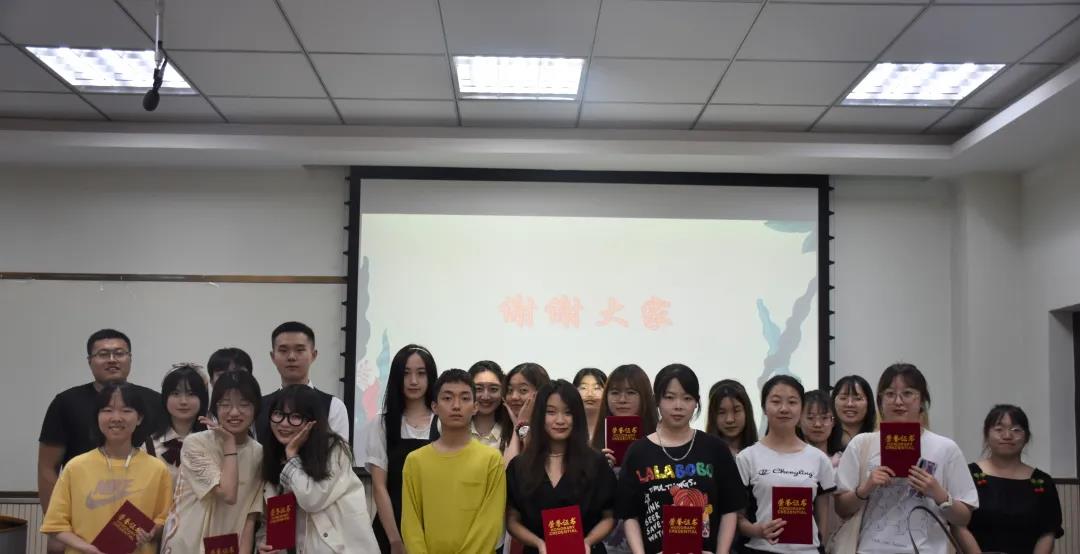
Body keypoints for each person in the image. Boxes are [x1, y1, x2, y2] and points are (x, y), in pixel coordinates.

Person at [38, 329, 164, 553]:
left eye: (119, 353)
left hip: (139, 535)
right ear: (90, 361)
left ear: (130, 358)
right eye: (103, 354)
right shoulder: (66, 402)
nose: (112, 359)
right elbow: (48, 466)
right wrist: (56, 529)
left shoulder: (154, 401)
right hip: (81, 530)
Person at [834, 363, 978, 554]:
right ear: (880, 401)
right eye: (890, 394)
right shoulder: (861, 444)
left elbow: (964, 518)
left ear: (922, 401)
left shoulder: (946, 448)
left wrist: (938, 494)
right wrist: (867, 487)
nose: (898, 401)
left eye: (908, 393)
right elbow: (841, 508)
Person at [617, 364, 746, 554]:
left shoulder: (715, 448)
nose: (678, 406)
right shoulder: (638, 452)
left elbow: (729, 509)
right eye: (670, 397)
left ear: (696, 402)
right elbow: (630, 515)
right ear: (657, 400)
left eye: (687, 398)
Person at [257, 385, 379, 553]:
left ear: (312, 422)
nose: (284, 423)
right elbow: (270, 518)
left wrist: (292, 457)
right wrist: (264, 544)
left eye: (295, 417)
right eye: (278, 414)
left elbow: (312, 499)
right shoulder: (272, 456)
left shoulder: (334, 449)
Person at [401, 369, 507, 553]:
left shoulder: (491, 460)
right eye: (447, 398)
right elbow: (411, 524)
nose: (456, 406)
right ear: (434, 407)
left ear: (475, 407)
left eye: (465, 398)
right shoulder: (415, 461)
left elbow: (490, 524)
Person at [506, 380, 617, 554]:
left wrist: (588, 542)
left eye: (568, 412)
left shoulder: (596, 462)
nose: (560, 420)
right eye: (550, 412)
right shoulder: (520, 465)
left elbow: (609, 516)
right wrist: (539, 543)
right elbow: (512, 519)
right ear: (539, 415)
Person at [160, 371, 264, 554]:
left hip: (226, 546)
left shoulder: (258, 452)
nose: (234, 412)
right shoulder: (195, 443)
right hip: (187, 544)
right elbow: (227, 493)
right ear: (215, 408)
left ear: (256, 408)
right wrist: (230, 444)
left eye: (244, 404)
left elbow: (250, 515)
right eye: (225, 404)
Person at [736, 376, 836, 554]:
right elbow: (737, 518)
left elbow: (823, 519)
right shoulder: (747, 457)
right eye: (776, 401)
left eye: (792, 402)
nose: (784, 408)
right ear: (764, 408)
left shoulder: (819, 459)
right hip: (760, 550)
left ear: (801, 408)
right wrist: (757, 530)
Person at [954, 404, 1063, 554]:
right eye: (999, 429)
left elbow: (1048, 532)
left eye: (1016, 430)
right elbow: (958, 525)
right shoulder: (968, 474)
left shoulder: (1043, 481)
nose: (1007, 435)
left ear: (1026, 437)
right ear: (986, 435)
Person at [366, 344, 439, 554]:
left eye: (421, 373)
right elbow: (380, 487)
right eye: (406, 373)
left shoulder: (442, 423)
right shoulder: (382, 423)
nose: (413, 381)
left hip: (435, 526)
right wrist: (395, 540)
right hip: (392, 527)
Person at [589, 364, 658, 554]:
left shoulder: (662, 443)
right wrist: (600, 471)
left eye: (631, 392)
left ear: (645, 397)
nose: (622, 400)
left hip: (652, 540)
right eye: (615, 392)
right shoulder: (592, 449)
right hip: (605, 544)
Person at [257, 322, 349, 445]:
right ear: (273, 357)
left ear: (313, 355)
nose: (291, 357)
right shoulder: (259, 407)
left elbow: (338, 455)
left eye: (299, 350)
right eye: (283, 350)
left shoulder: (334, 406)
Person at [144, 364, 209, 484]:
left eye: (191, 394)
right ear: (165, 398)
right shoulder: (150, 445)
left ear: (202, 399)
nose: (183, 401)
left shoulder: (214, 441)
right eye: (175, 393)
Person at [504, 362, 552, 459]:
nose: (514, 397)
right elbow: (509, 466)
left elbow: (529, 462)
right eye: (510, 390)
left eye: (523, 390)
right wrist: (517, 426)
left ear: (541, 393)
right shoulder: (503, 425)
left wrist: (521, 425)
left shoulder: (552, 426)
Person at [469, 360, 514, 454]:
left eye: (493, 389)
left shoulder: (512, 432)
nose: (485, 396)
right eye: (479, 389)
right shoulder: (453, 429)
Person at [706, 379, 759, 457]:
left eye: (736, 411)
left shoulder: (760, 454)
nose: (729, 419)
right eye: (722, 412)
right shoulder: (703, 454)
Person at [828, 375, 875, 453]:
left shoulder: (877, 438)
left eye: (858, 399)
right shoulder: (824, 438)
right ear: (833, 402)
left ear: (869, 403)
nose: (850, 404)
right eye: (843, 398)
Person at [573, 367, 608, 443]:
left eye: (597, 388)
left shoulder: (613, 427)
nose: (590, 394)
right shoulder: (567, 425)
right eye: (583, 388)